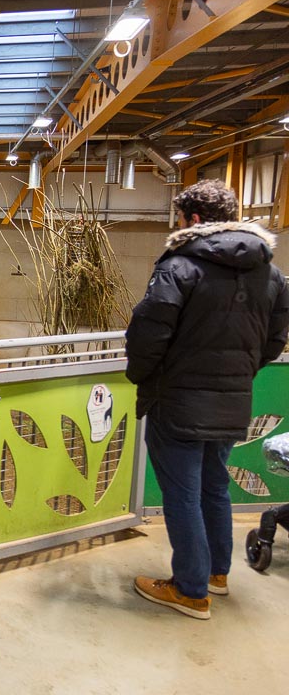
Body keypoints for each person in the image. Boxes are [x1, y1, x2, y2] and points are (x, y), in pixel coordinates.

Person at [126, 178, 289, 619]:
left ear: (193, 219)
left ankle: (190, 589)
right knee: (215, 486)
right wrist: (238, 374)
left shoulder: (178, 268)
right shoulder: (270, 272)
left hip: (176, 401)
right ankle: (217, 574)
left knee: (181, 493)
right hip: (233, 400)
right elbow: (275, 339)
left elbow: (148, 333)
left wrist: (143, 376)